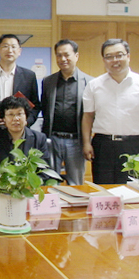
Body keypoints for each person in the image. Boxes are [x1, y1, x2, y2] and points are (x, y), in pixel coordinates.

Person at [82, 39, 139, 184]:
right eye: (109, 56)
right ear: (104, 60)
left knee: (133, 188)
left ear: (128, 56)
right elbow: (88, 116)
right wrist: (86, 143)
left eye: (119, 55)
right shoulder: (94, 85)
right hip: (103, 145)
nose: (115, 60)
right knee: (103, 189)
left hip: (133, 145)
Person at [41, 39, 93, 185]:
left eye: (66, 55)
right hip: (52, 139)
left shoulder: (89, 82)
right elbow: (44, 109)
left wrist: (87, 142)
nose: (62, 59)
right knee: (50, 182)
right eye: (59, 55)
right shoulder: (48, 82)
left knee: (75, 183)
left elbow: (91, 115)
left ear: (76, 56)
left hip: (76, 141)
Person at [0, 96, 49, 168]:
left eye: (19, 114)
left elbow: (45, 169)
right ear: (4, 118)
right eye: (10, 114)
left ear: (26, 117)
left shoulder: (39, 139)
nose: (15, 118)